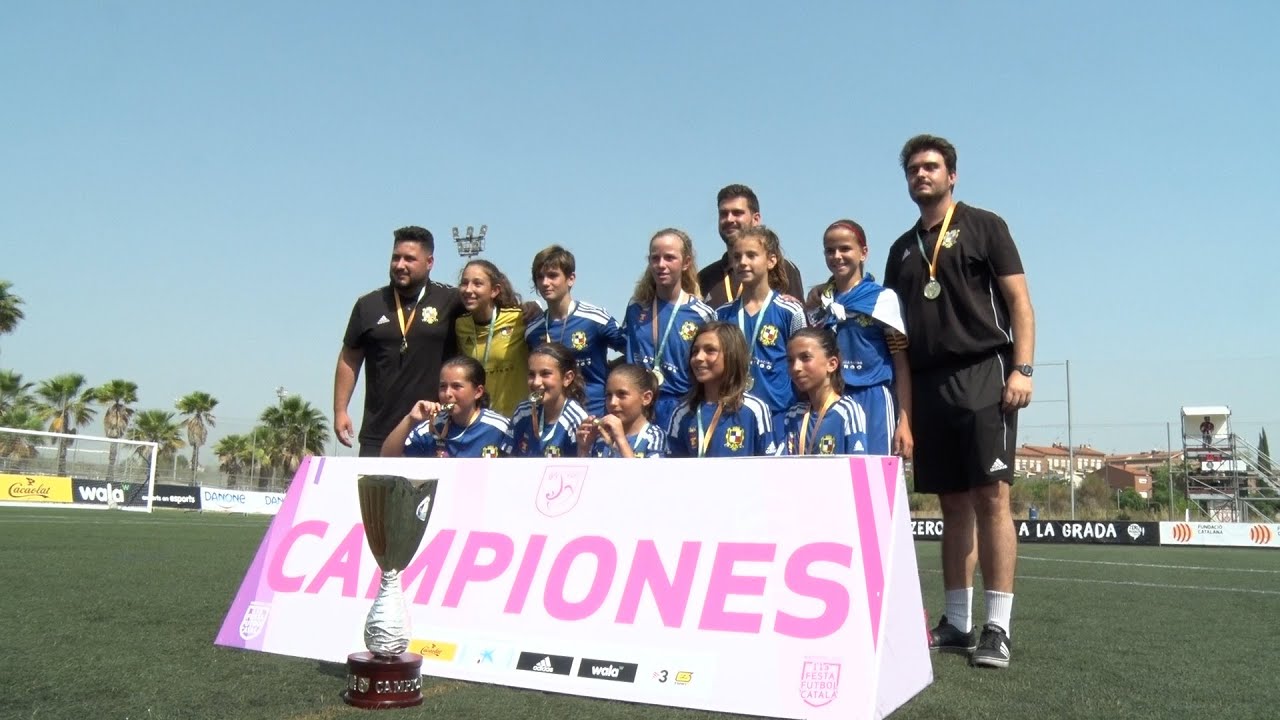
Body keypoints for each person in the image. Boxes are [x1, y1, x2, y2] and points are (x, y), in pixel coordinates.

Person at [883, 134, 1036, 669]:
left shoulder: (985, 225)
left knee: (991, 496)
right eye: (913, 170)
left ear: (952, 176)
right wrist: (904, 414)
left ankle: (998, 627)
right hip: (927, 383)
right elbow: (895, 341)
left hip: (983, 372)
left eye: (932, 167)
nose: (922, 175)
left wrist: (1022, 367)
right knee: (950, 505)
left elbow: (1019, 300)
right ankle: (957, 622)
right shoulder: (900, 250)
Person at [334, 226, 463, 457]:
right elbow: (349, 358)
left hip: (434, 431)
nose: (400, 265)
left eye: (410, 259)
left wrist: (528, 308)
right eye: (396, 258)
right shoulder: (368, 305)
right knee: (375, 494)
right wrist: (340, 410)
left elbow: (487, 309)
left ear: (429, 262)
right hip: (378, 431)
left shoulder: (451, 300)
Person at [807, 219, 913, 457]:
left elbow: (901, 364)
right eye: (830, 250)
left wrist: (904, 422)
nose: (837, 256)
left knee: (873, 482)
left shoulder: (882, 300)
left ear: (863, 253)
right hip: (832, 398)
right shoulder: (818, 302)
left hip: (873, 398)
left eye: (845, 248)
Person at [622, 228, 715, 429]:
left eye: (669, 258)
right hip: (639, 408)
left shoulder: (702, 314)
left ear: (686, 263)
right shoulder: (636, 307)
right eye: (655, 258)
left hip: (683, 407)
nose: (661, 265)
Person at [715, 226, 808, 416]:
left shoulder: (790, 311)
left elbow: (804, 361)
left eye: (751, 255)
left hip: (779, 412)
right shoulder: (721, 315)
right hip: (735, 413)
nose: (742, 262)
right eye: (737, 256)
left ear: (771, 260)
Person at [524, 245, 626, 416]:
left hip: (593, 416)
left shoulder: (595, 318)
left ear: (571, 279)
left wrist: (610, 371)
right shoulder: (533, 331)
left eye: (552, 276)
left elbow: (633, 350)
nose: (545, 283)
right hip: (553, 420)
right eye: (540, 277)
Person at [666, 321, 777, 458]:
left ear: (732, 356)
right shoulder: (682, 413)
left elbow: (769, 467)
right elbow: (673, 471)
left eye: (710, 350)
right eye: (695, 351)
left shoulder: (755, 409)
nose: (699, 358)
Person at [379, 356, 513, 458]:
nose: (447, 394)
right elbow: (386, 459)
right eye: (443, 386)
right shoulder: (431, 427)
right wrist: (409, 420)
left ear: (478, 392)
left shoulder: (500, 428)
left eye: (456, 386)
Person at [698, 184, 804, 308]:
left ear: (756, 219)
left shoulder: (783, 268)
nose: (729, 219)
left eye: (737, 213)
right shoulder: (705, 277)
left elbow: (798, 322)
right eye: (723, 214)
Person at [455, 259, 529, 417]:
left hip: (516, 419)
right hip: (480, 422)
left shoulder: (519, 319)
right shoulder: (460, 326)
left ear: (494, 290)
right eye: (464, 283)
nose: (468, 290)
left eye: (477, 283)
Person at [779, 327, 869, 455]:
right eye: (790, 360)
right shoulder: (794, 414)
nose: (796, 367)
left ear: (831, 364)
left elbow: (858, 468)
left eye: (805, 357)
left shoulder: (848, 411)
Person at [509, 343, 589, 458]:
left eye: (545, 374)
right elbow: (507, 460)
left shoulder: (577, 421)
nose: (536, 382)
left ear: (567, 378)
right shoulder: (523, 412)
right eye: (531, 374)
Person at [577, 363, 669, 458]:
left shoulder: (654, 436)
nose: (613, 402)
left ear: (646, 398)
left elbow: (648, 473)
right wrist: (584, 448)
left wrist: (620, 440)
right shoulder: (601, 437)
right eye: (608, 395)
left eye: (622, 394)